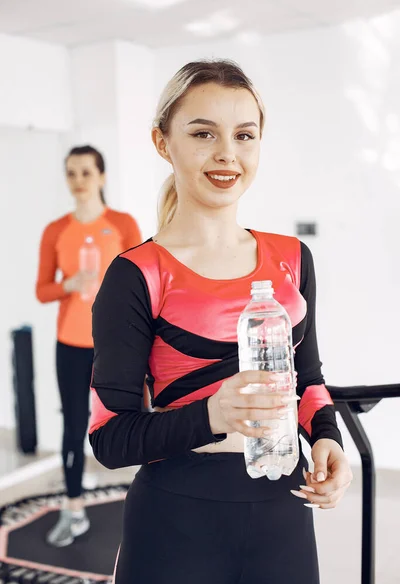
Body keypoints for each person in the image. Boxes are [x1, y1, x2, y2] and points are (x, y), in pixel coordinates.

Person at [89, 61, 352, 583]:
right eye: (203, 133)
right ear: (163, 143)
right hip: (177, 520)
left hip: (283, 509)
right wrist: (211, 414)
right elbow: (109, 438)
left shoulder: (292, 259)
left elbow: (309, 380)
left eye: (244, 135)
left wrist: (327, 439)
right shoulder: (137, 274)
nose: (227, 152)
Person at [35, 145, 142, 548]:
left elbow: (141, 281)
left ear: (101, 177)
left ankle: (146, 505)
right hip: (71, 345)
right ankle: (74, 506)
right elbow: (42, 290)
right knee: (73, 425)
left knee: (133, 420)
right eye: (71, 173)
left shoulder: (122, 224)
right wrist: (68, 285)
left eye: (85, 172)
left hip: (116, 346)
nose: (78, 181)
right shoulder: (56, 230)